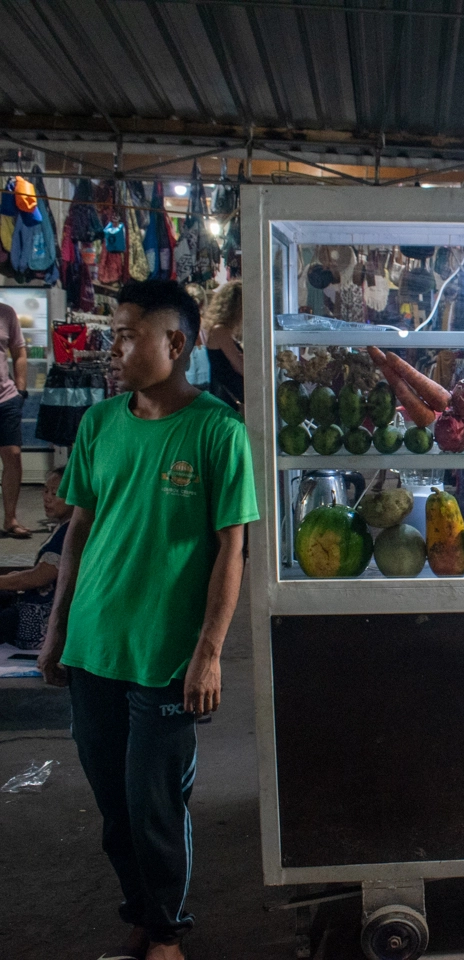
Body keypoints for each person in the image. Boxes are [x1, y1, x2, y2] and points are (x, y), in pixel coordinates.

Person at [37, 279, 258, 960]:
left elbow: (231, 548)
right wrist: (56, 630)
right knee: (113, 812)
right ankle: (141, 912)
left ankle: (166, 935)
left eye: (130, 333)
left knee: (154, 807)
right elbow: (78, 530)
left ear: (178, 344)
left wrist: (211, 651)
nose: (115, 346)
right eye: (116, 332)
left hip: (166, 656)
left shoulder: (218, 430)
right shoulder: (101, 424)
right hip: (94, 644)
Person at [0, 467, 71, 649]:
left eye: (55, 493)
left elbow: (38, 577)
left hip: (43, 620)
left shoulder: (71, 532)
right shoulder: (63, 527)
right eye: (45, 491)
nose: (47, 498)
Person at [0, 298, 30, 538]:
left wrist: (20, 391)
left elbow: (19, 353)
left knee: (13, 455)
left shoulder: (6, 313)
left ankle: (10, 519)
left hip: (6, 398)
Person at [204, 279, 243, 410]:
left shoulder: (223, 331)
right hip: (228, 398)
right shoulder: (220, 331)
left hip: (227, 397)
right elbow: (238, 365)